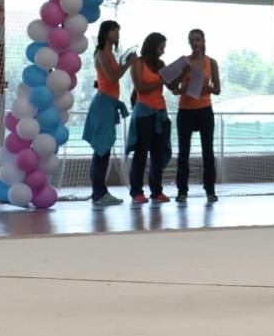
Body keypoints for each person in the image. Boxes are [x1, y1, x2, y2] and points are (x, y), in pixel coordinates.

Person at [126, 32, 186, 204]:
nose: (163, 51)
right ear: (153, 47)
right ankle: (136, 191)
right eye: (161, 48)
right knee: (141, 153)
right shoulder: (138, 63)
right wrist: (161, 79)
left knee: (158, 155)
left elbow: (171, 86)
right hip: (144, 112)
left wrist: (182, 73)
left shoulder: (161, 65)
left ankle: (156, 191)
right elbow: (141, 88)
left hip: (160, 112)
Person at [82, 20, 133, 206]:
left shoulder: (109, 53)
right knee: (101, 149)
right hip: (103, 103)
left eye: (118, 30)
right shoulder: (102, 53)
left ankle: (99, 191)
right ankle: (99, 192)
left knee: (103, 149)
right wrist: (128, 64)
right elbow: (112, 77)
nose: (117, 33)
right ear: (105, 32)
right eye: (114, 30)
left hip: (109, 103)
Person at [173, 29, 221, 204]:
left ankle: (210, 190)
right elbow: (173, 88)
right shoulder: (183, 62)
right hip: (185, 110)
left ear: (203, 41)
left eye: (198, 39)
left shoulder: (211, 62)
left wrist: (206, 88)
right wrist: (183, 86)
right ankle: (182, 191)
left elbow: (217, 89)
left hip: (204, 109)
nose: (195, 43)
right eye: (192, 40)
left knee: (207, 151)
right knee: (183, 152)